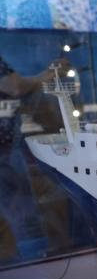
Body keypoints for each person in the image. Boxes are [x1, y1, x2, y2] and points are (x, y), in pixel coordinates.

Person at [0, 55, 66, 259]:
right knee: (16, 215)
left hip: (9, 153)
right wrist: (44, 76)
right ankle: (21, 260)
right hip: (6, 155)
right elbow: (15, 87)